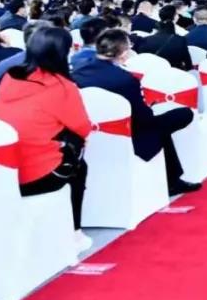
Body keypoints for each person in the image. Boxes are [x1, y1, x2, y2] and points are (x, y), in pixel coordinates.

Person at [0, 27, 92, 250]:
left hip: (1, 170)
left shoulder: (10, 77)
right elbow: (83, 128)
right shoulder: (61, 86)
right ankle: (74, 231)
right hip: (38, 173)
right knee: (79, 165)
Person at [73, 29, 200, 195]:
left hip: (88, 131)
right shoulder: (124, 79)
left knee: (159, 123)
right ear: (124, 53)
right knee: (178, 117)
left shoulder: (77, 72)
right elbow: (144, 119)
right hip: (129, 132)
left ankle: (172, 178)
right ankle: (172, 180)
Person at [135, 5, 193, 71]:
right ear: (175, 17)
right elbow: (188, 65)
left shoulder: (146, 39)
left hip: (150, 74)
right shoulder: (181, 39)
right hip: (172, 74)